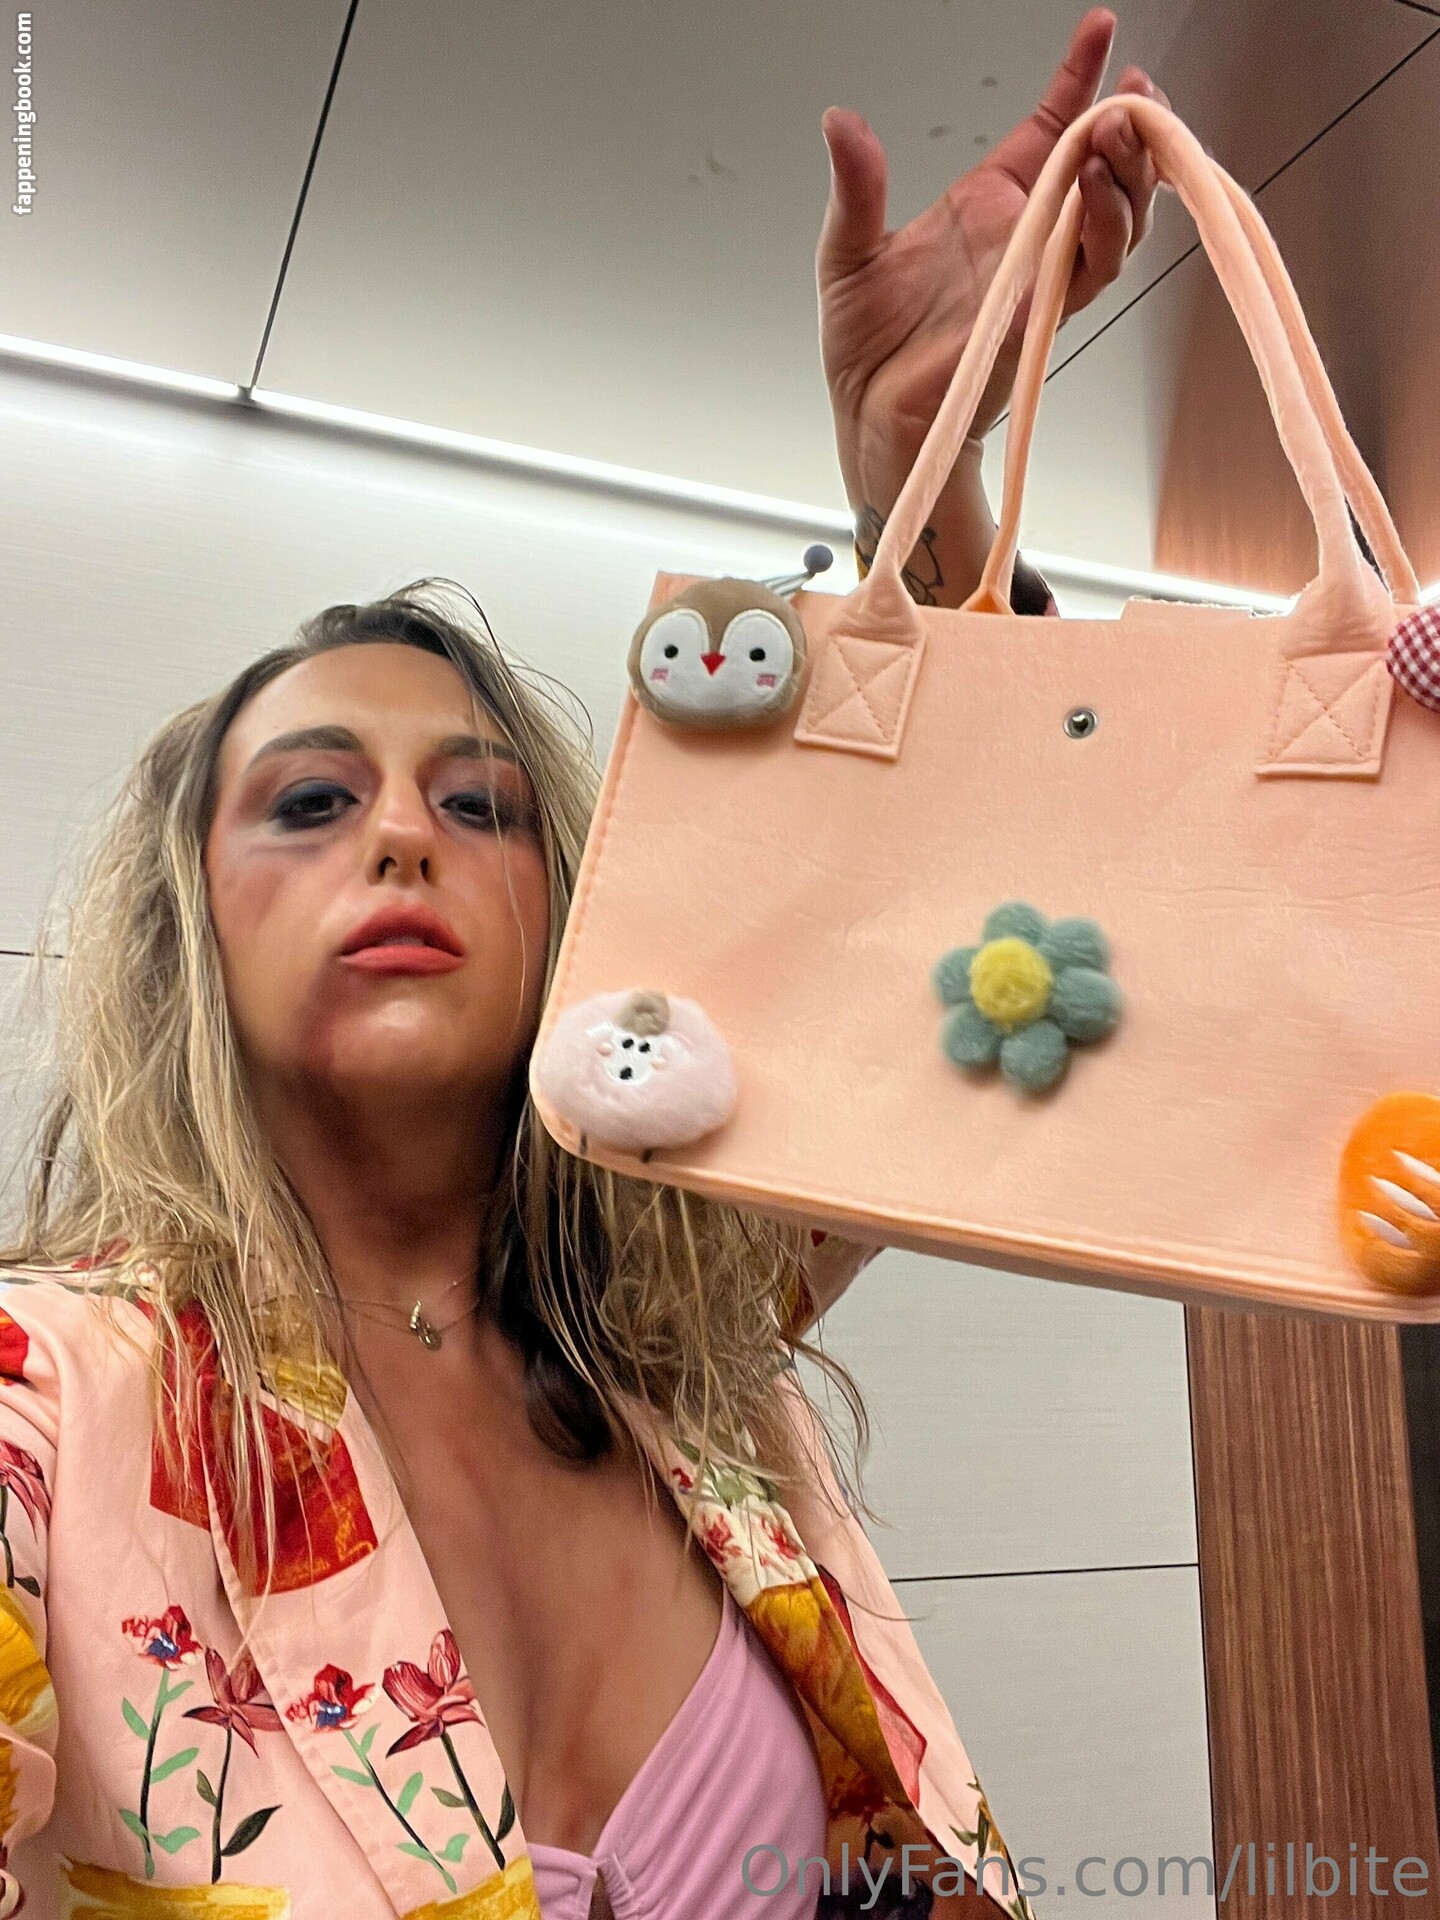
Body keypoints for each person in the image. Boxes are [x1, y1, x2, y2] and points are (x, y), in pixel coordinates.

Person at [0, 12, 1166, 1918]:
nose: (401, 835)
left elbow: (999, 970)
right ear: (186, 927)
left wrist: (924, 489)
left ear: (566, 920)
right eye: (311, 802)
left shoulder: (677, 1327)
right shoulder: (47, 1404)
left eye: (480, 804)